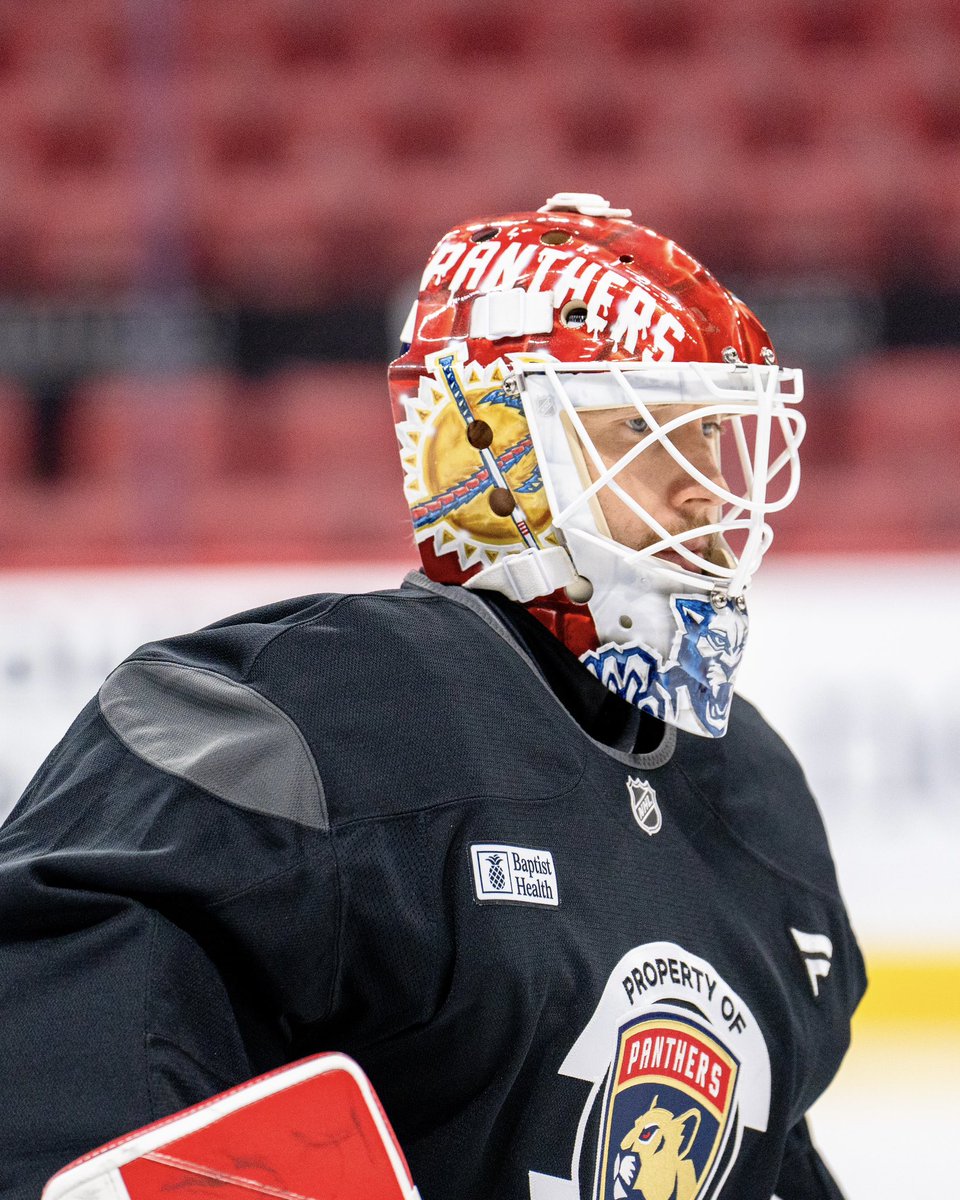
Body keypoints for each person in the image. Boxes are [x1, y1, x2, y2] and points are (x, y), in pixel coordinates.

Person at [0, 193, 864, 1200]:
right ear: (495, 454)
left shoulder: (754, 796)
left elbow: (761, 1161)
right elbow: (61, 1055)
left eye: (713, 440)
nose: (705, 493)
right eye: (647, 432)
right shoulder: (308, 714)